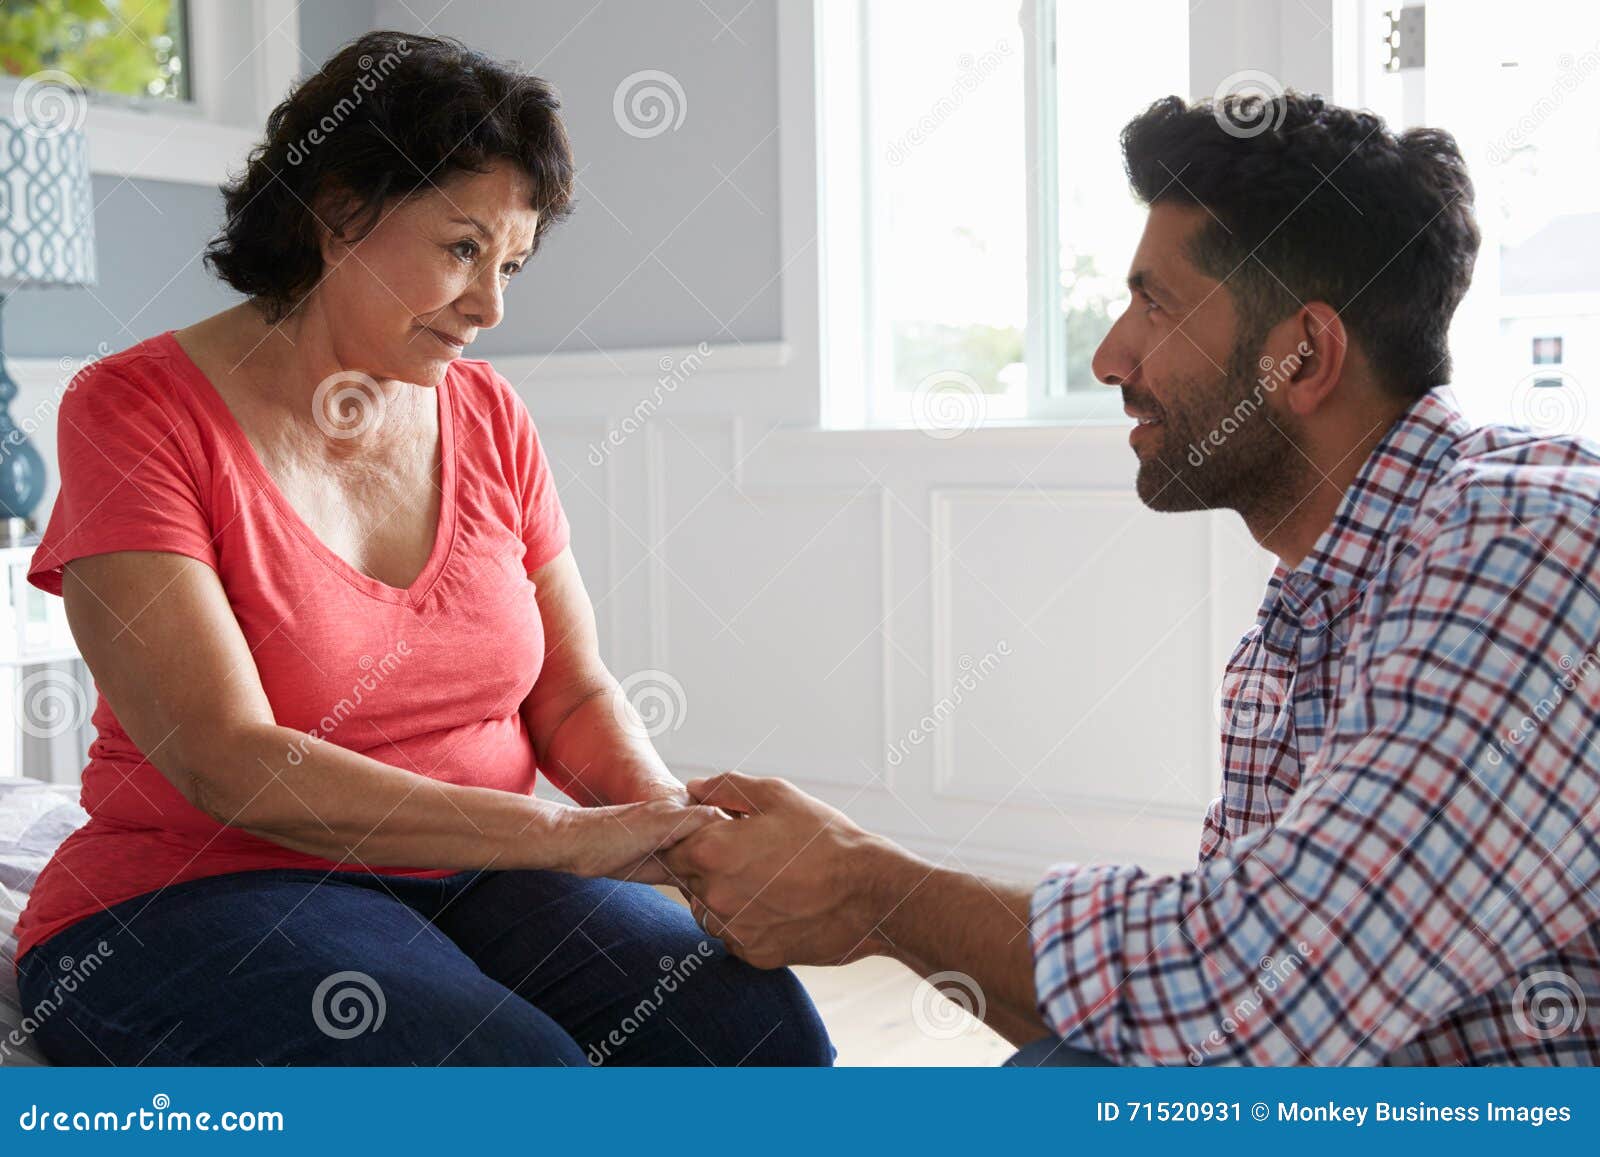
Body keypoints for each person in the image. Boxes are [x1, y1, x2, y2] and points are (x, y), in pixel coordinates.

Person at [664, 92, 1600, 1066]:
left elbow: (1250, 992)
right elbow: (1185, 1040)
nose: (1112, 354)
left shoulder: (1529, 542)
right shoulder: (1308, 616)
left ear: (1305, 355)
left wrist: (871, 887)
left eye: (1155, 304)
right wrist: (873, 913)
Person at [12, 31, 831, 1067]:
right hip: (201, 886)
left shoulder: (488, 413)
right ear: (339, 210)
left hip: (473, 872)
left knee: (753, 1026)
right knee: (503, 1075)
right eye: (461, 249)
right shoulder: (134, 410)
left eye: (512, 265)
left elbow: (570, 694)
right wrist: (557, 838)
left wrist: (667, 824)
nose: (492, 306)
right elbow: (228, 760)